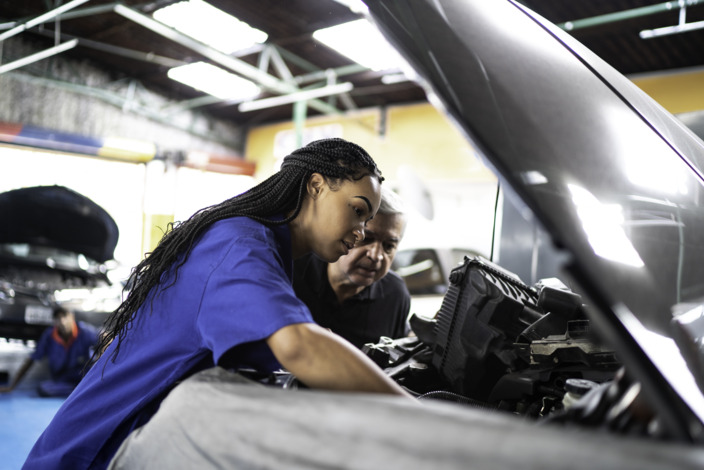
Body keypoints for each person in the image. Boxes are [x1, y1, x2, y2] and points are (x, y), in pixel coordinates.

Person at [23, 138, 410, 470]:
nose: (360, 234)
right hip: (101, 447)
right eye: (358, 211)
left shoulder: (267, 247)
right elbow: (298, 346)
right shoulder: (241, 246)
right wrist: (419, 414)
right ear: (315, 186)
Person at [293, 186, 410, 348]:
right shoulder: (291, 270)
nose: (376, 255)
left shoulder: (395, 294)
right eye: (366, 239)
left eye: (388, 245)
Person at [0, 307, 99, 397]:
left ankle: (82, 389)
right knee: (44, 388)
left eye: (65, 317)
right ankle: (81, 391)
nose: (62, 322)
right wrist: (12, 386)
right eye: (58, 318)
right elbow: (31, 360)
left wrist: (99, 360)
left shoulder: (85, 331)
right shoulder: (49, 336)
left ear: (72, 317)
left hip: (83, 377)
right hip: (62, 381)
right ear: (54, 321)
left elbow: (106, 338)